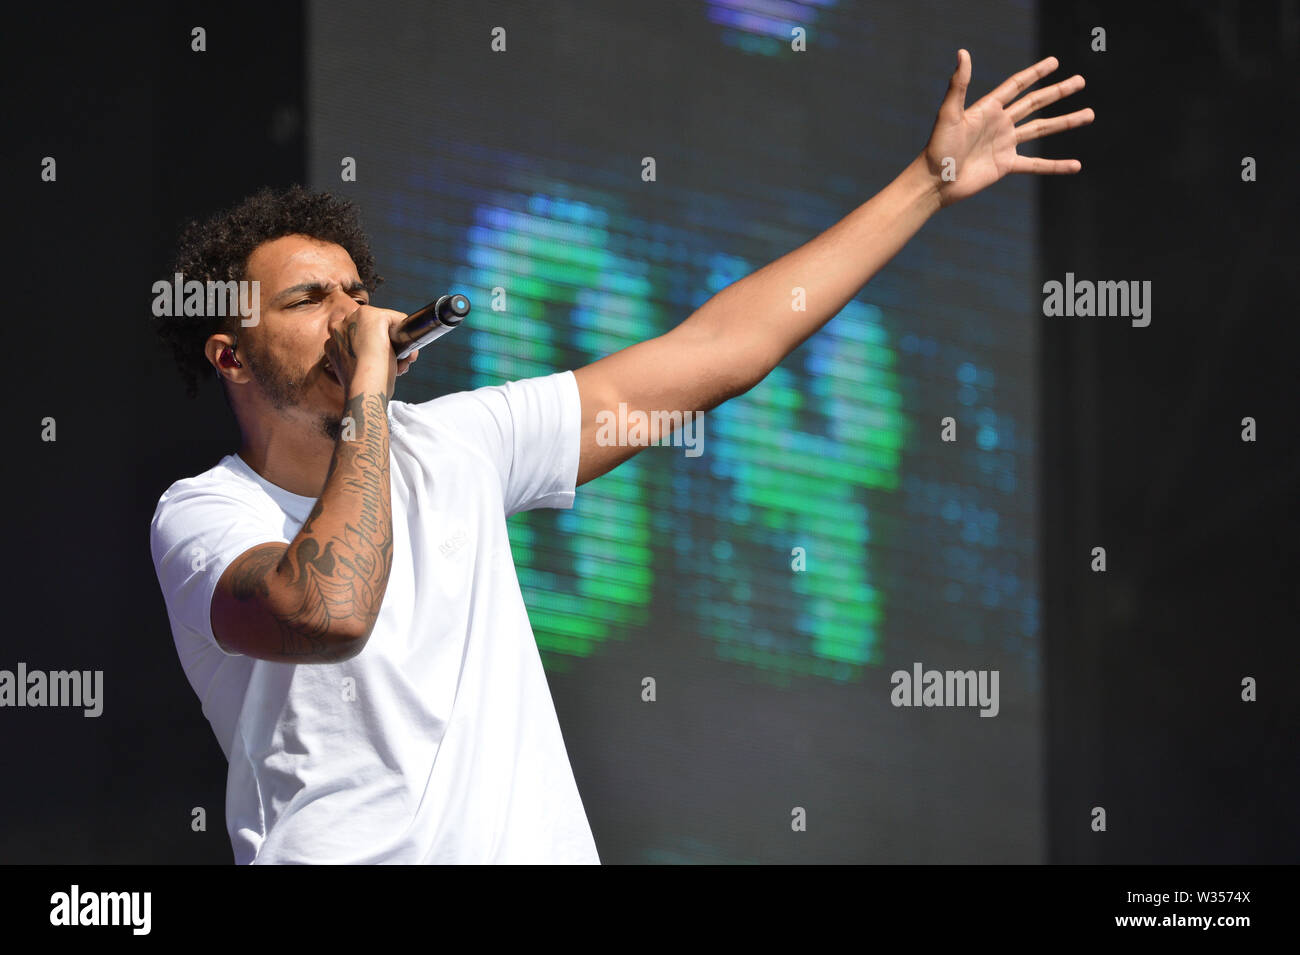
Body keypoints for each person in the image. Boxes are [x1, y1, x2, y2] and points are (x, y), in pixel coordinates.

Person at [149, 51, 1091, 864]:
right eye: (310, 298)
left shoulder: (462, 444)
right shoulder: (203, 515)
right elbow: (330, 611)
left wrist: (926, 180)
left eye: (358, 291)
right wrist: (366, 392)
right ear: (227, 351)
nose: (351, 313)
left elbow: (720, 350)